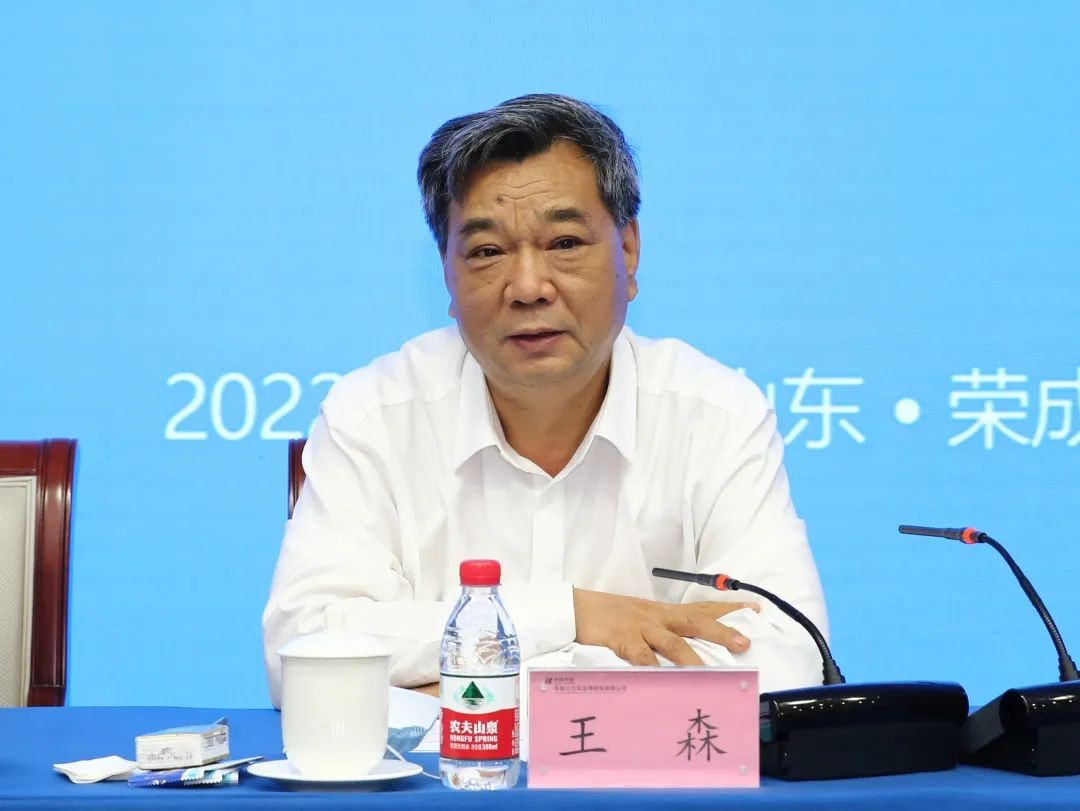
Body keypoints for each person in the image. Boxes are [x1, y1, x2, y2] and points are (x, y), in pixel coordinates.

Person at [262, 93, 827, 707]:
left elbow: (784, 659)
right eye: (487, 252)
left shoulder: (715, 414)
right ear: (446, 272)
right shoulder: (373, 414)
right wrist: (574, 616)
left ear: (628, 250)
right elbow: (306, 655)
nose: (528, 287)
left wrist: (478, 692)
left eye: (564, 243)